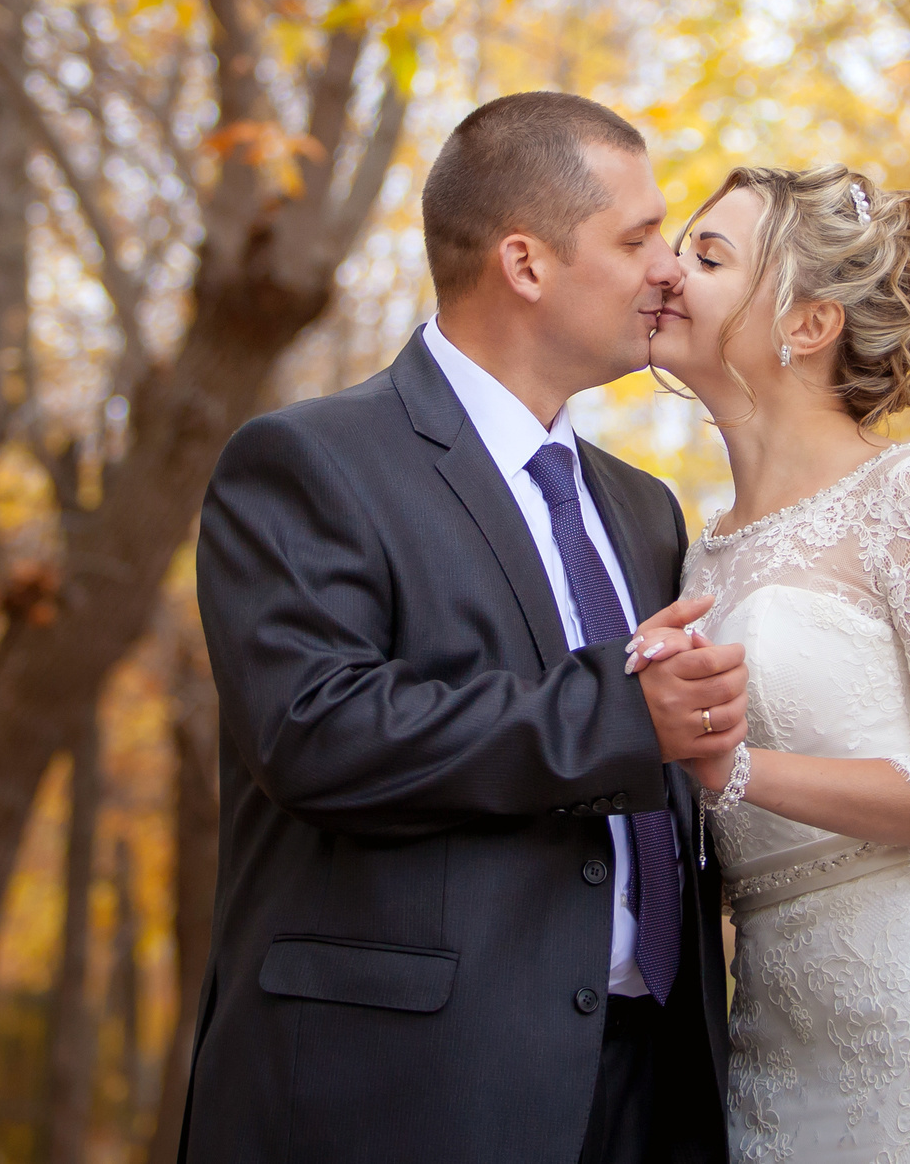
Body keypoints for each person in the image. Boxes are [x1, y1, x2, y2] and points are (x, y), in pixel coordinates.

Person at [188, 92, 742, 1164]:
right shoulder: (308, 463)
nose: (666, 269)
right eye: (636, 239)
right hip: (413, 1093)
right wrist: (620, 711)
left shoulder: (643, 509)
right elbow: (316, 728)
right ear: (526, 263)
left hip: (655, 1092)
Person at [631, 165, 910, 1164]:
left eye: (707, 255)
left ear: (808, 321)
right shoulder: (697, 550)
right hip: (771, 1035)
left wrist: (738, 768)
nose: (666, 270)